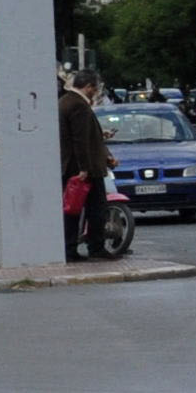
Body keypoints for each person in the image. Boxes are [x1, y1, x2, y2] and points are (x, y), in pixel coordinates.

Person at [60, 76, 118, 260]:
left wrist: (100, 134)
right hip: (85, 169)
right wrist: (84, 168)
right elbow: (80, 139)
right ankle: (95, 247)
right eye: (95, 89)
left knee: (72, 208)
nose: (96, 93)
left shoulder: (65, 101)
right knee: (95, 209)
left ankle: (70, 248)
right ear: (88, 87)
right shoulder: (79, 105)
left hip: (71, 166)